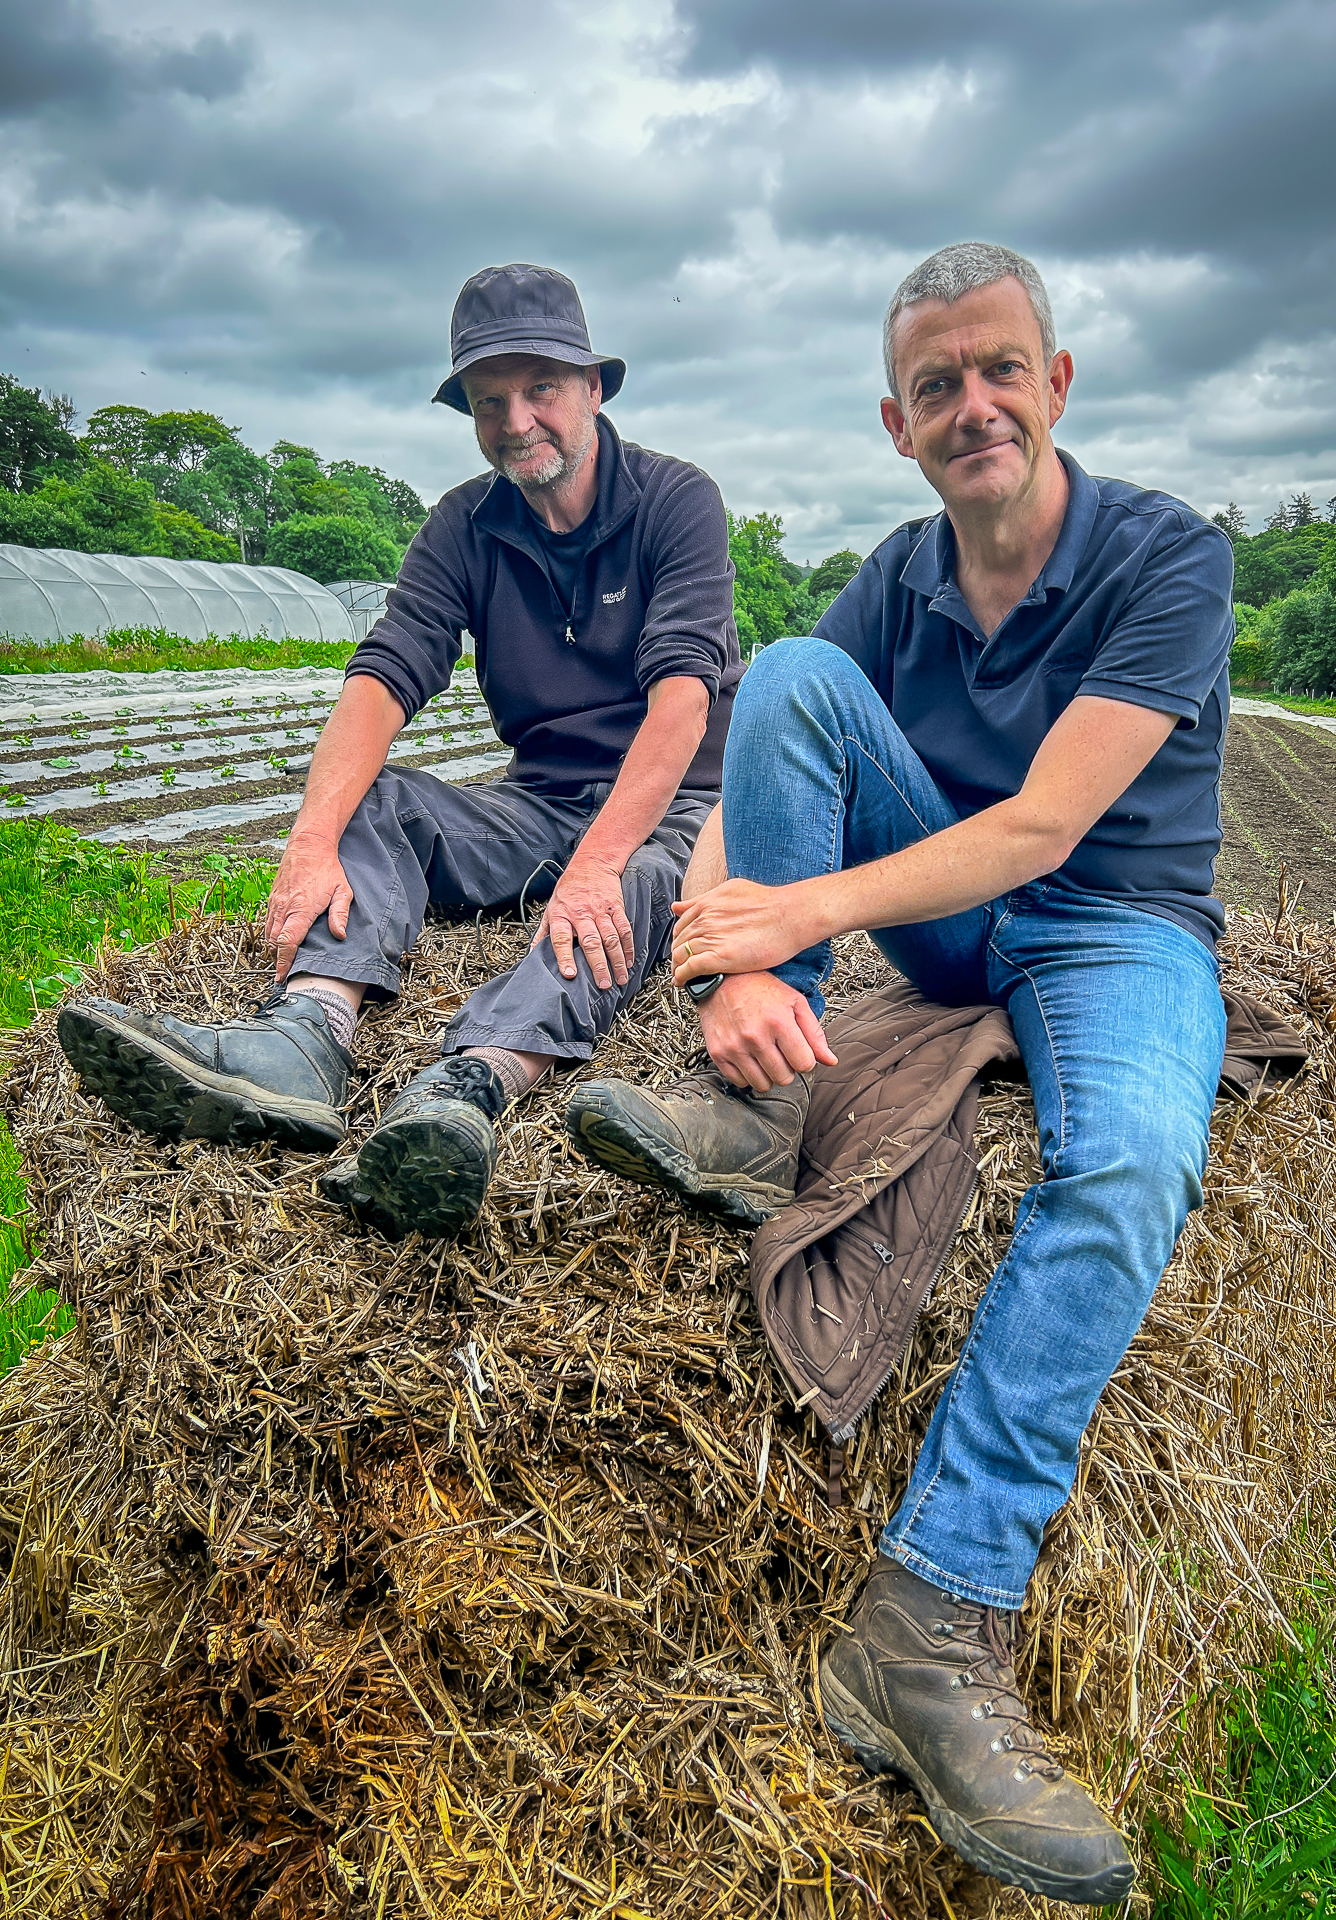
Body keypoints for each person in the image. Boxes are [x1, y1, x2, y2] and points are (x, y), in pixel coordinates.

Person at [567, 241, 1233, 1905]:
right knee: (792, 668)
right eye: (938, 385)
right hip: (951, 918)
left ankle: (928, 1624)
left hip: (1115, 923)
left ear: (1056, 383)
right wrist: (728, 960)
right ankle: (760, 1116)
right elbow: (767, 753)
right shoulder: (899, 574)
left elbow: (1047, 827)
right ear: (897, 423)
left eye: (1002, 369)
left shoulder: (1168, 555)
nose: (974, 405)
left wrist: (804, 909)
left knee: (1131, 1163)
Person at [59, 263, 740, 1240]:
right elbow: (384, 674)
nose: (516, 421)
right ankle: (308, 1035)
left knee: (627, 888)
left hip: (677, 802)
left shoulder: (677, 500)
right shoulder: (464, 524)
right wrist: (310, 839)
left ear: (594, 388)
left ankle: (471, 1084)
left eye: (540, 388)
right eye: (488, 400)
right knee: (372, 801)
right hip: (541, 801)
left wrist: (594, 867)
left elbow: (681, 700)